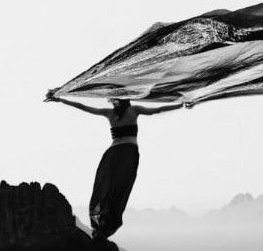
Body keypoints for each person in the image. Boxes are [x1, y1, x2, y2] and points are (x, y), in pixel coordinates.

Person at [45, 90, 189, 240]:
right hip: (127, 153)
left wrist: (61, 100)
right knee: (120, 188)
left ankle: (101, 221)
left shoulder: (109, 113)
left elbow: (83, 107)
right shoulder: (134, 110)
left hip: (112, 153)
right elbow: (157, 110)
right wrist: (180, 105)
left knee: (103, 186)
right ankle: (106, 222)